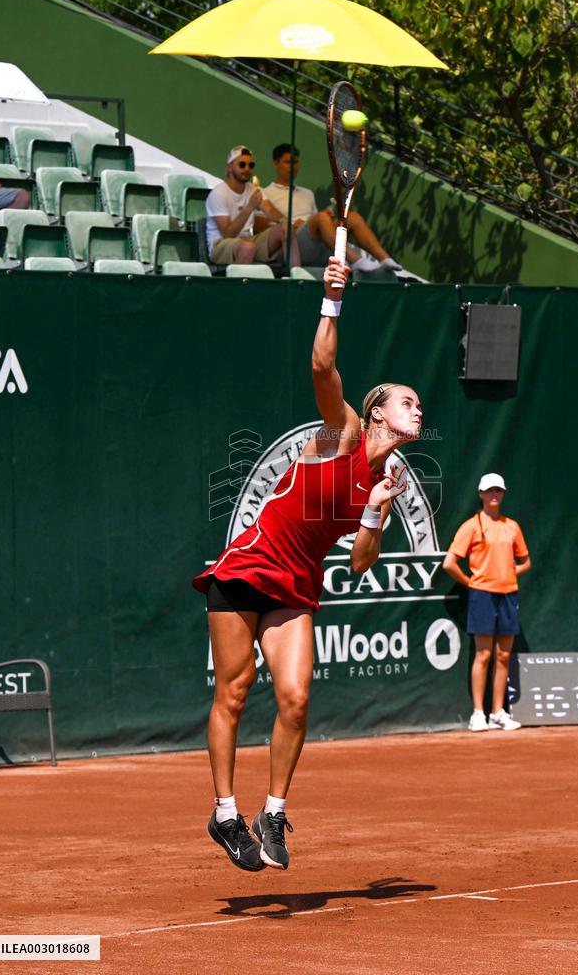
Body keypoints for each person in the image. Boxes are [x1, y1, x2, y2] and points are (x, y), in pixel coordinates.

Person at [192, 259, 422, 871]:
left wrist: (373, 513)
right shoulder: (343, 433)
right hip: (247, 567)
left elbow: (364, 564)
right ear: (376, 413)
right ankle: (223, 814)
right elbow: (322, 366)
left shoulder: (391, 478)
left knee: (295, 699)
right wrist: (332, 300)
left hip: (296, 583)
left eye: (419, 405)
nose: (417, 409)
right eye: (407, 401)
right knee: (235, 693)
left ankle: (272, 810)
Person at [442, 473, 531, 733]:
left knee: (503, 656)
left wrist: (511, 571)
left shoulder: (511, 526)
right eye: (490, 491)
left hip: (508, 594)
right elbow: (449, 563)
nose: (494, 495)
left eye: (498, 491)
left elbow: (526, 561)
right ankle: (478, 714)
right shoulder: (471, 526)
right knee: (484, 655)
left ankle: (498, 713)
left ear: (502, 494)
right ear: (480, 494)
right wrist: (471, 583)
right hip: (482, 596)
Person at [261, 143, 402, 272]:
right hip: (290, 246)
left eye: (296, 162)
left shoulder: (307, 193)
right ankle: (356, 260)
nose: (293, 166)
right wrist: (292, 225)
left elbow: (315, 222)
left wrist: (328, 218)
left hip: (316, 241)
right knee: (321, 217)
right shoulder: (266, 193)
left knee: (352, 217)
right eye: (288, 162)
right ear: (276, 163)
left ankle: (384, 259)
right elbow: (261, 228)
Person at [205, 145, 299, 268]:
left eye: (251, 165)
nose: (247, 169)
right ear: (229, 167)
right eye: (242, 165)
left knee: (285, 229)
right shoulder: (218, 193)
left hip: (248, 240)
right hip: (220, 245)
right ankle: (238, 286)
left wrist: (284, 221)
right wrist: (249, 207)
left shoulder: (253, 189)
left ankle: (296, 279)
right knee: (248, 248)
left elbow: (270, 209)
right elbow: (228, 234)